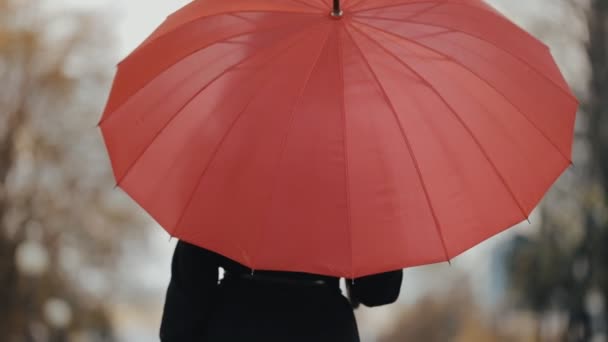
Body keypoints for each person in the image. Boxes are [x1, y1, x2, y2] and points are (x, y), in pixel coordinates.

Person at [160, 240, 403, 341]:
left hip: (237, 324)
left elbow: (191, 286)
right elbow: (378, 291)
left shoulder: (229, 162)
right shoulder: (357, 170)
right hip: (324, 328)